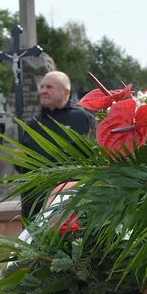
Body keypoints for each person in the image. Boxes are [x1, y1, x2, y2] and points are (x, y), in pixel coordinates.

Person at [19, 72, 95, 220]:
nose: (43, 91)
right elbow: (25, 167)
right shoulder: (33, 126)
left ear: (65, 92)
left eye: (49, 87)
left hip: (71, 203)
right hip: (36, 206)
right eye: (42, 87)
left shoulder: (83, 120)